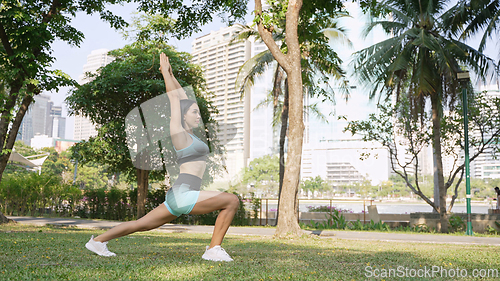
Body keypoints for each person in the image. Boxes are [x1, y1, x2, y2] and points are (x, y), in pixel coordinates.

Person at [85, 52, 240, 262]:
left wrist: (172, 75)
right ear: (183, 116)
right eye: (194, 113)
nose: (197, 115)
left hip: (181, 193)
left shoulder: (192, 134)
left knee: (142, 224)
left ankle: (97, 242)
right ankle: (213, 249)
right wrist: (166, 75)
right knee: (231, 200)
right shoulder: (179, 133)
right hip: (184, 193)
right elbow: (174, 99)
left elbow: (183, 97)